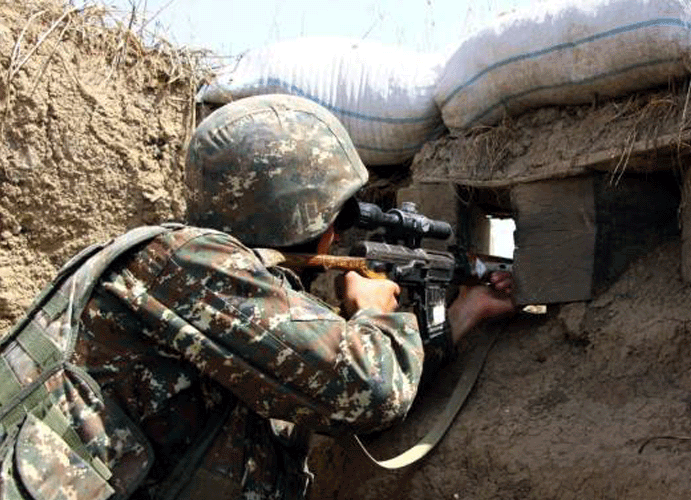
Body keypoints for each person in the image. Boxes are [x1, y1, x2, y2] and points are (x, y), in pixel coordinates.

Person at [0, 94, 514, 500]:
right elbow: (367, 392)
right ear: (300, 213)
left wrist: (465, 313)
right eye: (337, 214)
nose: (337, 232)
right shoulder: (193, 265)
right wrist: (373, 311)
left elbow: (313, 381)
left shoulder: (188, 272)